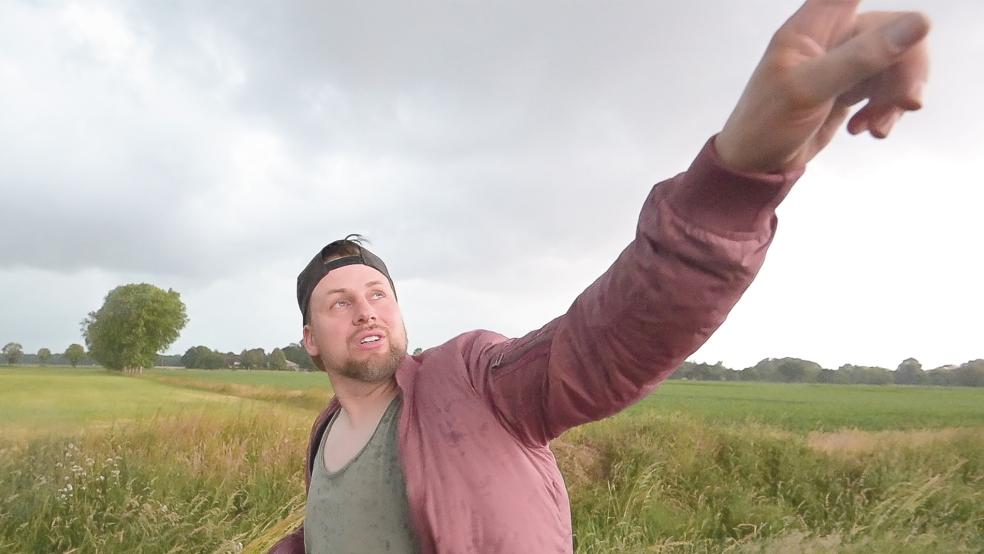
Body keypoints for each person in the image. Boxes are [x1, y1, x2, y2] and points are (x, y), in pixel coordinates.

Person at [271, 1, 930, 552]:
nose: (365, 310)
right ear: (309, 339)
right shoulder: (327, 433)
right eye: (339, 302)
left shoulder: (469, 380)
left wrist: (738, 175)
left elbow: (603, 343)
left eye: (378, 292)